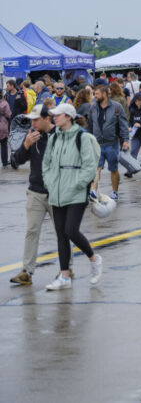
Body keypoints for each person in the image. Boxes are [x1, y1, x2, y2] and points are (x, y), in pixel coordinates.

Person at [41, 104, 104, 290]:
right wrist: (50, 183)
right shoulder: (54, 138)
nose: (54, 118)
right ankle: (64, 276)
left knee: (71, 230)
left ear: (68, 116)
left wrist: (77, 184)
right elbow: (46, 164)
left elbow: (90, 166)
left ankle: (94, 258)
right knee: (61, 234)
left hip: (76, 193)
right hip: (57, 192)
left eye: (57, 115)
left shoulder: (81, 137)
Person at [8, 105, 56, 286]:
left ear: (47, 119)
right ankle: (26, 271)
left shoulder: (59, 135)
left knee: (62, 232)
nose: (33, 123)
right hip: (35, 191)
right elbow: (16, 161)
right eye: (31, 120)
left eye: (36, 120)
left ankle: (67, 269)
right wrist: (26, 145)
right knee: (32, 231)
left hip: (56, 193)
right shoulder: (31, 135)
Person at [83, 84, 130, 200]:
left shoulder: (116, 107)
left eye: (97, 94)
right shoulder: (93, 108)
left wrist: (126, 140)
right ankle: (93, 191)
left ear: (104, 94)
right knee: (96, 168)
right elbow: (89, 125)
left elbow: (123, 125)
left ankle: (115, 192)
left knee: (113, 169)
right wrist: (87, 139)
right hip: (97, 144)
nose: (94, 96)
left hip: (112, 144)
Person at [0, 91, 10, 168]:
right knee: (3, 144)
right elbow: (8, 114)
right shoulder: (4, 103)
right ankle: (4, 161)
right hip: (2, 124)